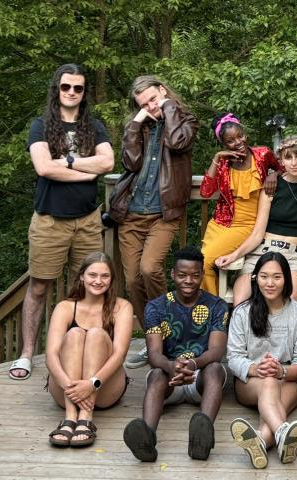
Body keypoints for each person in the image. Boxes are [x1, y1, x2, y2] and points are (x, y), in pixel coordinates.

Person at [10, 64, 115, 381]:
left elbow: (107, 162)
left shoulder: (94, 127)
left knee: (88, 290)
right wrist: (86, 170)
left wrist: (67, 162)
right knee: (39, 286)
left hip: (87, 221)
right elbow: (43, 167)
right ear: (56, 89)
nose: (71, 92)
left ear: (84, 94)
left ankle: (81, 351)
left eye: (78, 88)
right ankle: (28, 354)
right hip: (49, 221)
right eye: (66, 87)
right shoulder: (40, 126)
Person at [109, 75, 198, 334]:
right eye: (143, 104)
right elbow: (131, 163)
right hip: (131, 214)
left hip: (163, 214)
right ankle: (153, 334)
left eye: (153, 99)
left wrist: (168, 107)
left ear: (163, 91)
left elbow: (177, 142)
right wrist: (135, 124)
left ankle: (168, 329)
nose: (150, 107)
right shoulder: (141, 125)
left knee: (150, 269)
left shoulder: (186, 121)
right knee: (132, 280)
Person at [123, 246, 229, 462]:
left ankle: (203, 436)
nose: (188, 280)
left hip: (201, 375)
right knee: (156, 374)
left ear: (201, 275)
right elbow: (154, 354)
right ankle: (147, 439)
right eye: (182, 275)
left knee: (215, 369)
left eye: (194, 275)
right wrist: (172, 367)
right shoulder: (156, 307)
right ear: (172, 274)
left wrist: (194, 364)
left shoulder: (217, 306)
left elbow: (217, 351)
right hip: (170, 377)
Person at [227, 252, 297, 469]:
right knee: (268, 381)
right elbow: (233, 357)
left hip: (288, 381)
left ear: (286, 279)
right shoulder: (242, 313)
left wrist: (281, 372)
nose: (270, 283)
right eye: (264, 276)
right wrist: (257, 368)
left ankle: (262, 440)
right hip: (250, 382)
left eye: (277, 277)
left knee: (272, 386)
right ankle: (283, 430)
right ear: (255, 278)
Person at [215, 136, 297, 304]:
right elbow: (257, 234)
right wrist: (234, 255)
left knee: (289, 301)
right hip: (262, 251)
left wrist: (279, 173)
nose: (294, 162)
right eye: (288, 158)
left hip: (292, 256)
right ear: (281, 161)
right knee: (240, 300)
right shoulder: (272, 187)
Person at [45, 252, 133, 447]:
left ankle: (85, 418)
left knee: (96, 334)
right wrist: (71, 387)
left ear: (111, 279)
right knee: (75, 333)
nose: (98, 281)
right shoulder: (65, 307)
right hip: (65, 388)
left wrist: (91, 384)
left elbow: (120, 354)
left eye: (105, 276)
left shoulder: (122, 306)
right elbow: (50, 355)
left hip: (104, 387)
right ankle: (69, 417)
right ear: (82, 276)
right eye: (93, 275)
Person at [200, 113, 283, 295]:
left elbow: (282, 168)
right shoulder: (223, 163)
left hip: (246, 225)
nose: (238, 142)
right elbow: (205, 192)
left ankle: (213, 311)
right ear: (224, 144)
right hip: (220, 224)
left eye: (240, 136)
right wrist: (218, 157)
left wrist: (273, 174)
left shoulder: (262, 154)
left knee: (205, 261)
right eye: (231, 141)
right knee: (204, 264)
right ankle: (212, 310)